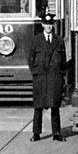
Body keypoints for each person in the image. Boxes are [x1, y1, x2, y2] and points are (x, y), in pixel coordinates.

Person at [28, 12, 66, 142]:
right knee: (38, 107)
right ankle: (36, 133)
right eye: (46, 24)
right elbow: (30, 59)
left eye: (51, 24)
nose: (49, 27)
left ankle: (56, 133)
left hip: (55, 78)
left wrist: (61, 75)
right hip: (41, 78)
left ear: (53, 25)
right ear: (42, 25)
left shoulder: (59, 40)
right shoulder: (36, 40)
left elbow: (63, 60)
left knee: (55, 106)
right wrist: (36, 73)